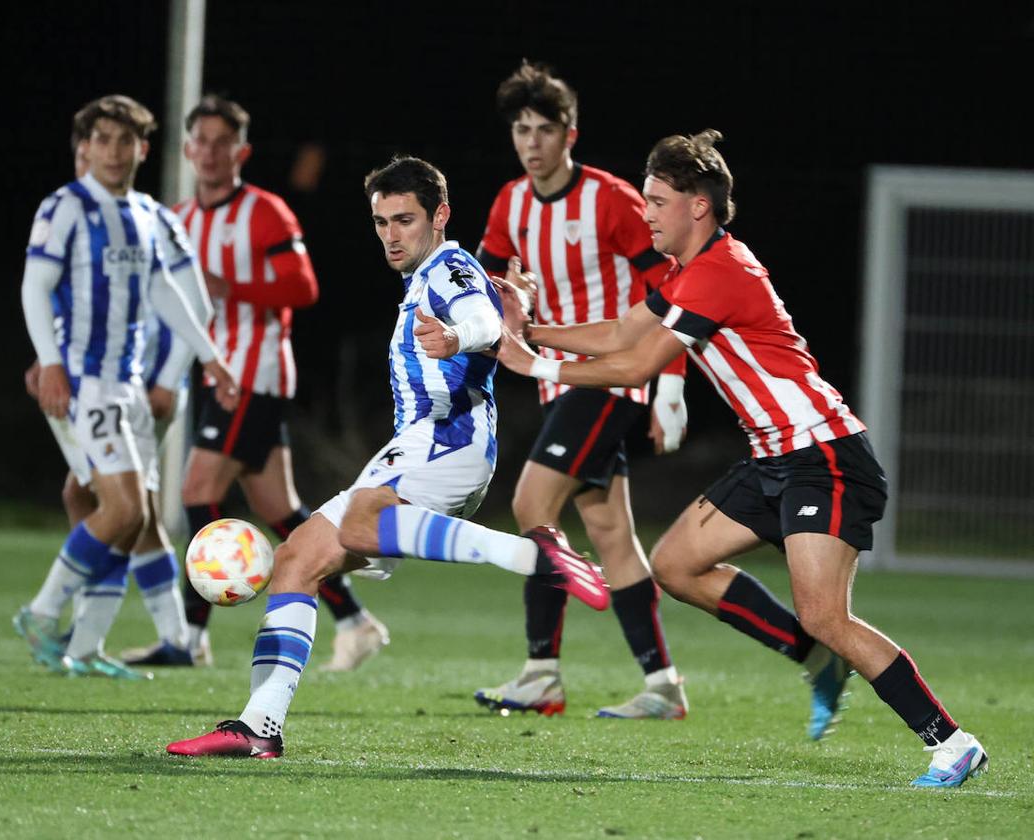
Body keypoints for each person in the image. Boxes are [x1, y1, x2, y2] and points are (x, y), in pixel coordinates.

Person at [494, 129, 987, 788]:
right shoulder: (688, 274)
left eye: (658, 200)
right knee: (673, 564)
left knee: (824, 614)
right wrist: (528, 329)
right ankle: (819, 658)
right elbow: (617, 332)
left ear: (698, 206)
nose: (646, 213)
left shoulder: (723, 271)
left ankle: (950, 742)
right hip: (771, 461)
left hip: (824, 456)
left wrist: (533, 362)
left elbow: (637, 362)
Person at [164, 155, 610, 759]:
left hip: (448, 440)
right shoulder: (425, 274)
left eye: (404, 220)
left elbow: (479, 318)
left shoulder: (449, 265)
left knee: (357, 521)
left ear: (440, 215)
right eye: (381, 222)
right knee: (296, 559)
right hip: (420, 445)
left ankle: (527, 553)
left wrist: (459, 337)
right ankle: (257, 727)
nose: (391, 235)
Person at [126, 95, 389, 671]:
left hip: (256, 376)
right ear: (188, 150)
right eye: (203, 142)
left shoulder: (266, 212)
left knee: (196, 493)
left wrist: (229, 285)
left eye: (224, 142)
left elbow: (303, 287)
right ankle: (356, 621)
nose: (212, 153)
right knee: (283, 510)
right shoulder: (180, 219)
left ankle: (189, 639)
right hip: (215, 379)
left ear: (241, 151)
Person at [472, 62, 689, 720]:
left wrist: (670, 384)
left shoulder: (611, 200)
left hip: (612, 380)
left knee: (532, 502)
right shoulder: (511, 203)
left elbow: (678, 286)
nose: (531, 142)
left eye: (544, 130)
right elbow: (487, 284)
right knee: (610, 533)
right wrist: (507, 303)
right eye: (520, 130)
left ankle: (541, 672)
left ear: (571, 134)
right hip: (556, 383)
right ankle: (664, 686)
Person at [13, 94, 239, 679]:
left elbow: (169, 294)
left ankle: (85, 645)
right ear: (84, 149)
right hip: (85, 385)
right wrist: (51, 361)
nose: (114, 152)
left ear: (142, 149)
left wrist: (210, 360)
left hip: (129, 385)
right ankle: (42, 614)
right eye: (102, 140)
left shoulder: (145, 215)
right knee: (122, 508)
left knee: (112, 509)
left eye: (125, 141)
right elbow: (35, 287)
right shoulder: (64, 207)